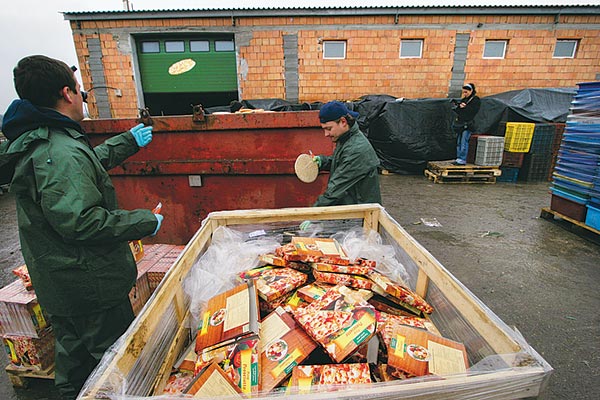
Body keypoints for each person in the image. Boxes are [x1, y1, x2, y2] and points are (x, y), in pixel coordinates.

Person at [0, 55, 163, 400]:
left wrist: (127, 142)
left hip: (60, 285)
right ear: (67, 94)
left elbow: (79, 173)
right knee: (118, 370)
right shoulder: (59, 151)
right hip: (91, 288)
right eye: (80, 90)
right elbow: (82, 220)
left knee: (72, 366)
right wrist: (144, 221)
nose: (83, 96)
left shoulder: (41, 140)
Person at [299, 101, 381, 230]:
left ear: (343, 121)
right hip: (352, 210)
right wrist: (323, 161)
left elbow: (335, 188)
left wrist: (313, 215)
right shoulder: (347, 139)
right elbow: (341, 162)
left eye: (329, 128)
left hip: (362, 218)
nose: (326, 134)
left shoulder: (356, 149)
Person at [451, 83, 481, 165]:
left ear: (471, 91)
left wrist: (465, 107)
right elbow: (460, 112)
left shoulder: (475, 100)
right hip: (460, 124)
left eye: (466, 92)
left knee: (464, 142)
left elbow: (473, 111)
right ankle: (459, 158)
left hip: (467, 125)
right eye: (464, 92)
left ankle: (462, 159)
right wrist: (457, 107)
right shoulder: (464, 100)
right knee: (459, 142)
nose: (465, 93)